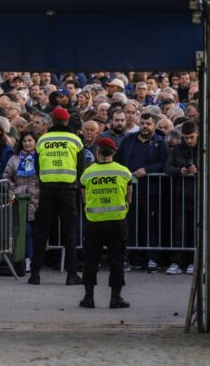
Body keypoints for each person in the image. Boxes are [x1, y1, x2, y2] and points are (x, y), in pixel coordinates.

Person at [28, 107, 85, 286]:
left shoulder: (42, 140)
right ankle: (72, 274)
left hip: (47, 190)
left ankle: (35, 274)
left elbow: (37, 168)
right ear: (67, 122)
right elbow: (81, 167)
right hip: (68, 190)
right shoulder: (75, 140)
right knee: (70, 233)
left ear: (52, 122)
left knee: (41, 231)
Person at [79, 137, 132, 309]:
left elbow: (84, 198)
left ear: (97, 152)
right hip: (117, 222)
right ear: (113, 152)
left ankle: (88, 297)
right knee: (117, 260)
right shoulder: (124, 172)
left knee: (91, 260)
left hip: (94, 223)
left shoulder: (88, 173)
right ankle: (115, 297)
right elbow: (129, 197)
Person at [114, 112, 169, 272]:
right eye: (143, 123)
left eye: (148, 124)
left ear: (154, 125)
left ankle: (151, 258)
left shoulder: (160, 142)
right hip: (130, 191)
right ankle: (130, 258)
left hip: (151, 192)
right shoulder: (129, 140)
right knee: (130, 226)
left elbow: (164, 163)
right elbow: (118, 159)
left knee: (150, 226)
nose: (145, 126)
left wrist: (147, 169)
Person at [164, 121, 198, 275]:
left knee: (193, 230)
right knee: (179, 230)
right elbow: (167, 168)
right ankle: (176, 261)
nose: (189, 140)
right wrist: (181, 171)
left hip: (197, 197)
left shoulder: (202, 149)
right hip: (180, 196)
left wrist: (197, 170)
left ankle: (192, 260)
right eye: (186, 138)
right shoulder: (177, 150)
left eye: (191, 137)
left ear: (197, 134)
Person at [3, 131, 40, 273]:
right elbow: (6, 177)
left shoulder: (40, 158)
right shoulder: (14, 159)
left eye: (30, 140)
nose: (27, 143)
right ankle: (27, 259)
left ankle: (37, 259)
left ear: (35, 141)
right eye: (24, 141)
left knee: (37, 231)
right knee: (26, 230)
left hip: (38, 197)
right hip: (20, 199)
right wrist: (15, 189)